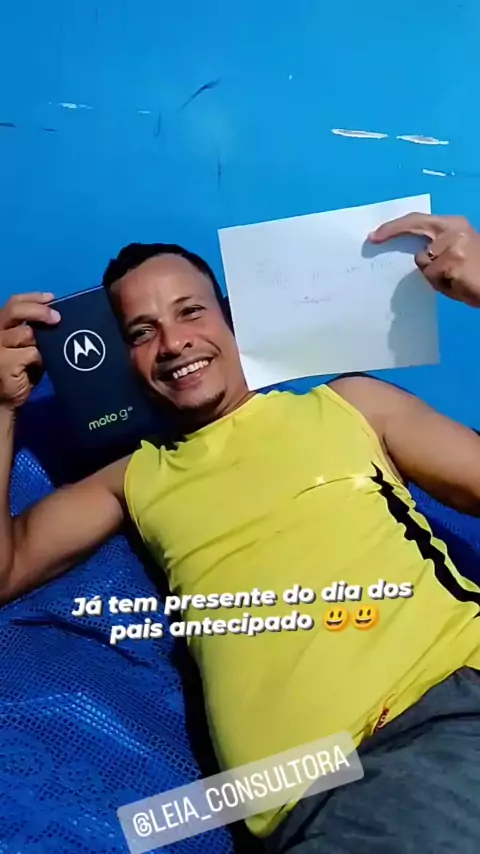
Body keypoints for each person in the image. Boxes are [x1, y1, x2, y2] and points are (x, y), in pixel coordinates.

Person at [1, 212, 480, 853]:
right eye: (143, 331)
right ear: (124, 360)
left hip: (440, 715)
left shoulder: (350, 405)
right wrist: (3, 408)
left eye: (190, 312)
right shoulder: (134, 478)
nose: (173, 343)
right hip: (298, 809)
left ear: (231, 320)